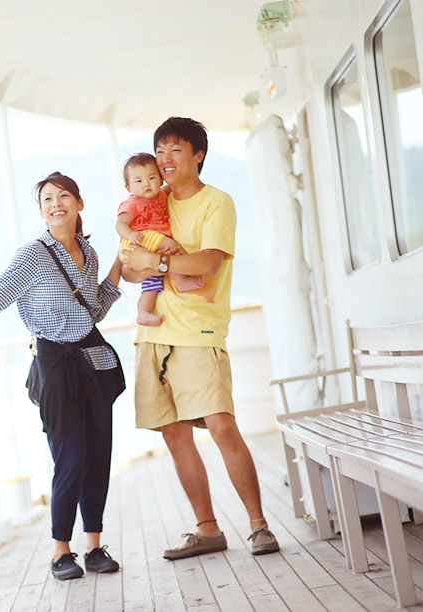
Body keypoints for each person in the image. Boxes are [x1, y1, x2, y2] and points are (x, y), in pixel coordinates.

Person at [0, 172, 126, 580]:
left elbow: (95, 311)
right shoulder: (33, 254)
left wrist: (121, 262)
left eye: (64, 196)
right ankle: (60, 552)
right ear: (41, 211)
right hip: (54, 366)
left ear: (79, 204)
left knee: (98, 456)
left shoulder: (89, 251)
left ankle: (94, 546)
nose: (56, 204)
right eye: (47, 199)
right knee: (70, 459)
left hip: (93, 361)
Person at [120, 118, 280, 559]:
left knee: (222, 425)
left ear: (198, 155)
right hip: (153, 335)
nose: (165, 160)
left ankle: (259, 525)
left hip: (200, 331)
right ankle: (208, 530)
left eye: (175, 150)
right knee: (173, 436)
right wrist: (153, 262)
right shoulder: (151, 200)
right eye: (160, 150)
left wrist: (164, 265)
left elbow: (208, 263)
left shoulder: (216, 202)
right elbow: (132, 268)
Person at [116, 153, 203, 326]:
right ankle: (182, 280)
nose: (146, 184)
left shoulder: (162, 195)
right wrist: (131, 234)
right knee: (171, 246)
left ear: (161, 180)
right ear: (128, 187)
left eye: (152, 177)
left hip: (151, 246)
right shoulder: (132, 203)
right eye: (139, 181)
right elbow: (120, 224)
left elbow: (174, 185)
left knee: (151, 286)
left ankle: (143, 313)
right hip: (137, 241)